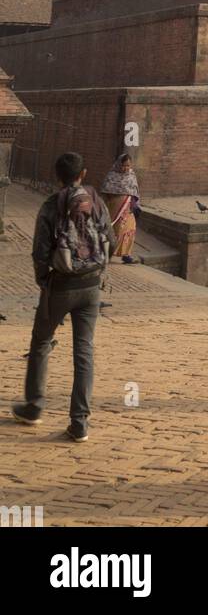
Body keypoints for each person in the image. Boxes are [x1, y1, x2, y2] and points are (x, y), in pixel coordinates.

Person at [12, 151, 115, 441]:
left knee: (42, 341)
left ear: (57, 176)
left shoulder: (50, 205)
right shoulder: (96, 202)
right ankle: (79, 422)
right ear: (83, 174)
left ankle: (34, 407)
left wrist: (44, 281)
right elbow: (112, 240)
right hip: (92, 286)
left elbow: (40, 252)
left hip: (60, 286)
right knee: (84, 351)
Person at [100, 153, 140, 264]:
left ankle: (126, 254)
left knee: (129, 229)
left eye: (128, 166)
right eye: (124, 165)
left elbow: (135, 191)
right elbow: (104, 192)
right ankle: (108, 253)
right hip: (114, 208)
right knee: (114, 231)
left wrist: (134, 204)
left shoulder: (131, 175)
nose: (126, 168)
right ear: (119, 164)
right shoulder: (111, 176)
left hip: (128, 208)